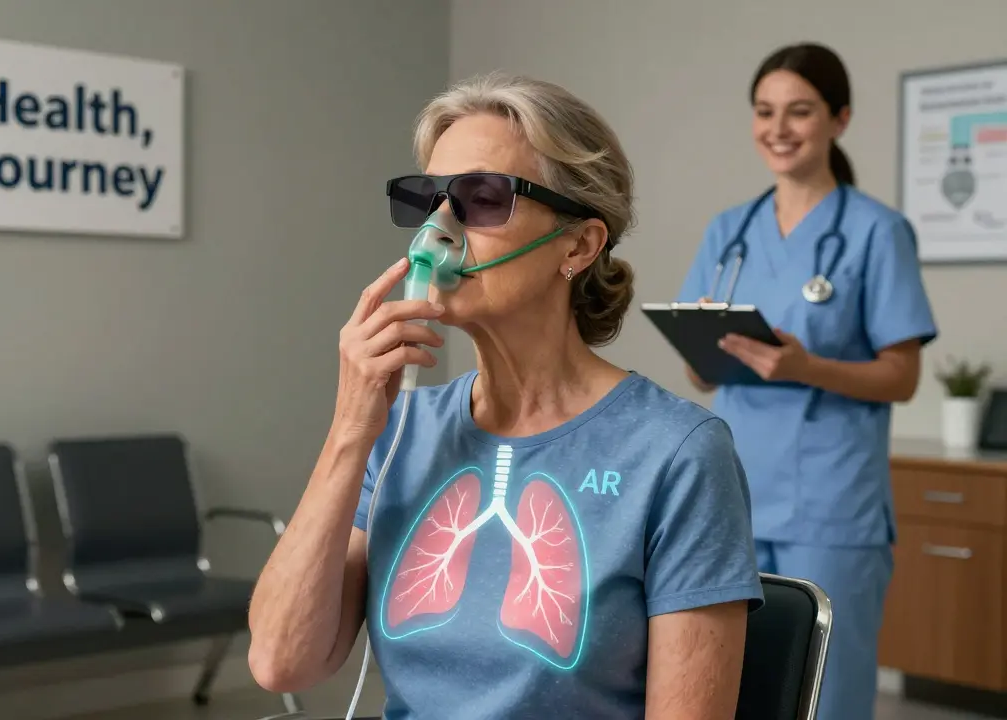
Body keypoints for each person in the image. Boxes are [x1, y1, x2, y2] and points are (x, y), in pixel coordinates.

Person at [248, 72, 764, 719]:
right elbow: (281, 661)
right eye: (430, 199)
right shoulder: (403, 429)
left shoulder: (676, 454)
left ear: (577, 244)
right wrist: (351, 428)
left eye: (482, 198)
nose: (437, 231)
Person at [677, 43, 939, 719]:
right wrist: (703, 349)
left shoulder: (878, 232)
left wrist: (805, 367)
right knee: (733, 683)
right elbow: (699, 371)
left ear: (838, 120)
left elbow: (902, 376)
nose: (779, 128)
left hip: (832, 502)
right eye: (765, 112)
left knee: (829, 694)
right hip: (732, 491)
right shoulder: (729, 231)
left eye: (800, 111)